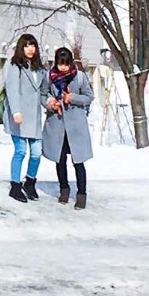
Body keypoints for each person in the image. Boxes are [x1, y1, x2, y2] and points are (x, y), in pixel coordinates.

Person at [40, 47, 94, 209]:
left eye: (65, 64)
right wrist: (51, 103)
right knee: (60, 158)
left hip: (76, 125)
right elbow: (43, 95)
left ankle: (81, 193)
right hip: (57, 123)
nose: (63, 67)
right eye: (60, 64)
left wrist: (73, 98)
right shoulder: (49, 76)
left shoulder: (79, 77)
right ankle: (64, 188)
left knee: (78, 161)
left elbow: (89, 97)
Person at [2, 33, 47, 203]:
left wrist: (50, 103)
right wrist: (16, 112)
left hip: (34, 118)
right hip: (18, 117)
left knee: (36, 153)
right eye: (27, 45)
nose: (30, 49)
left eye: (33, 45)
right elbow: (12, 90)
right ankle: (15, 185)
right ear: (21, 47)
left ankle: (30, 181)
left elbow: (43, 93)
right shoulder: (15, 66)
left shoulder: (41, 70)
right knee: (20, 151)